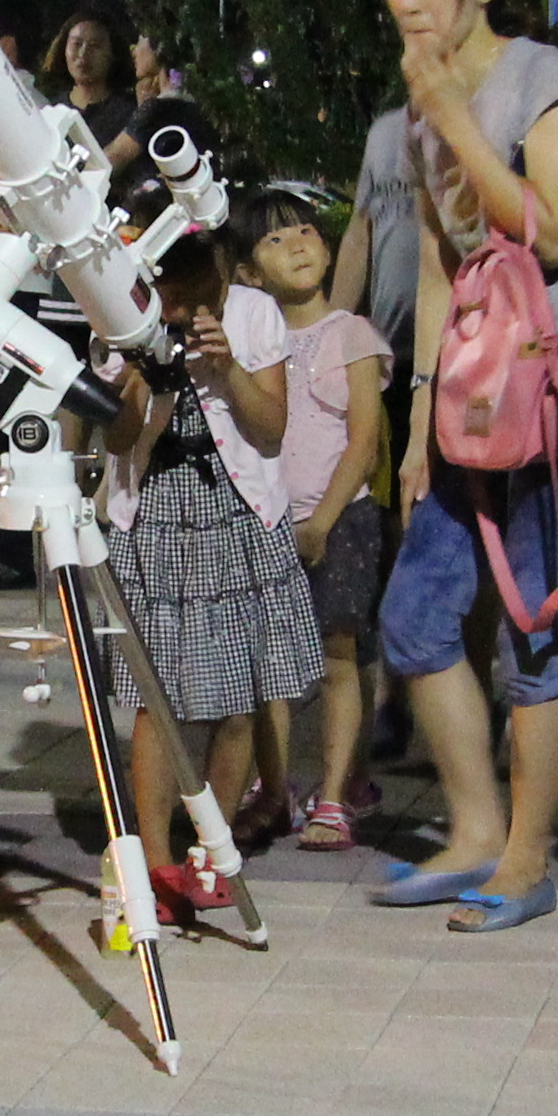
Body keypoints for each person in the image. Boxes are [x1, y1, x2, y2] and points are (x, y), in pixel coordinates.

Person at [364, 0, 558, 934]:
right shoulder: (422, 107)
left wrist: (458, 116)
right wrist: (421, 415)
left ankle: (526, 856)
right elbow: (439, 258)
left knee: (534, 630)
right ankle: (472, 830)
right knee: (415, 617)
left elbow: (549, 232)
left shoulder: (541, 88)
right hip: (470, 393)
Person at [104, 221, 310, 926]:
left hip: (236, 510)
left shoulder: (254, 313)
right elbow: (118, 437)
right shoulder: (123, 312)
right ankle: (156, 859)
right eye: (166, 291)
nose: (180, 308)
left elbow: (272, 429)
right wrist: (141, 368)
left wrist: (226, 369)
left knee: (240, 692)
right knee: (151, 695)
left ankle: (213, 853)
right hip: (155, 514)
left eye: (192, 293)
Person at [233, 187, 389, 849]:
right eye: (274, 238)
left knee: (339, 657)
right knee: (267, 663)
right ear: (245, 273)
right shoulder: (252, 342)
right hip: (269, 519)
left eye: (305, 230)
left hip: (340, 519)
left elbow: (364, 440)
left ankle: (334, 795)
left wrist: (323, 519)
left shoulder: (349, 333)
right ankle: (273, 789)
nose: (298, 242)